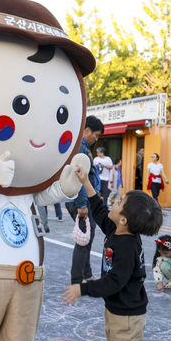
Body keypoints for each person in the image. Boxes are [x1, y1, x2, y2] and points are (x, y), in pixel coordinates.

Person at [61, 167, 163, 341]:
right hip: (117, 311)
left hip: (127, 317)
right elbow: (98, 210)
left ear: (124, 219)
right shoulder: (117, 230)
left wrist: (81, 288)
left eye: (119, 202)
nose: (114, 202)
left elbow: (113, 282)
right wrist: (86, 183)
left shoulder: (127, 245)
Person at [65, 115, 104, 284]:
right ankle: (77, 279)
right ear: (86, 129)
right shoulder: (80, 148)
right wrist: (82, 204)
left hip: (83, 199)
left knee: (87, 236)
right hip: (81, 200)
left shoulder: (81, 146)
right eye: (95, 135)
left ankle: (86, 274)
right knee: (83, 240)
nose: (96, 139)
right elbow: (78, 177)